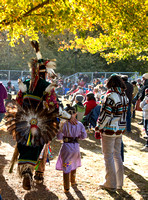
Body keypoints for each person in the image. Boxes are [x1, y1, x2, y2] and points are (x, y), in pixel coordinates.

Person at [5, 41, 77, 190]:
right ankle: (37, 172)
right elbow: (54, 107)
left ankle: (25, 171)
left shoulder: (25, 83)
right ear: (44, 73)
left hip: (23, 121)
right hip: (40, 122)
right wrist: (69, 117)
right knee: (38, 146)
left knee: (23, 144)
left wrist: (38, 52)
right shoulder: (46, 86)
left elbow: (18, 100)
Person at [95, 74, 128, 192]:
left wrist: (98, 127)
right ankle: (119, 183)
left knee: (108, 156)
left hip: (109, 129)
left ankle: (110, 183)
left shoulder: (110, 96)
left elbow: (105, 115)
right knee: (117, 155)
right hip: (119, 129)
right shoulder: (124, 96)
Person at [56, 104, 87, 193]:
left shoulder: (63, 124)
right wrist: (77, 137)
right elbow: (84, 136)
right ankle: (73, 181)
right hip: (76, 147)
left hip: (66, 147)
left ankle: (66, 187)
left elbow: (59, 137)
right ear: (75, 114)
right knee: (73, 163)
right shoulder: (80, 124)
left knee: (66, 165)